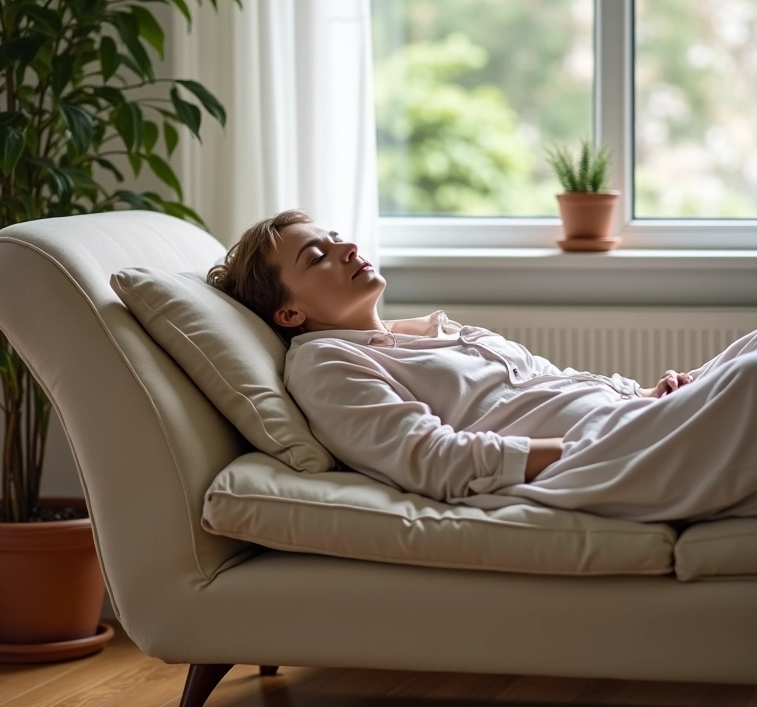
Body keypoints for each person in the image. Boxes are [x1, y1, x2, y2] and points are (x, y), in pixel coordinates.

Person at [208, 209, 757, 523]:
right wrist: (590, 444)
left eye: (334, 237)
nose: (346, 246)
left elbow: (547, 384)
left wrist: (646, 396)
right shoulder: (326, 363)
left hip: (626, 422)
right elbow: (431, 459)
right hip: (596, 456)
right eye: (317, 256)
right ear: (288, 311)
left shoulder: (428, 331)